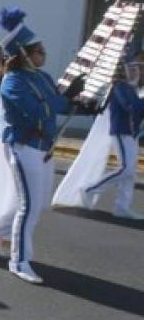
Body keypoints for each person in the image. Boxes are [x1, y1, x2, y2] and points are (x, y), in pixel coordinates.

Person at [0, 8, 82, 284]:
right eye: (39, 51)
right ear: (25, 54)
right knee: (28, 206)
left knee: (37, 205)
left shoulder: (42, 77)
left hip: (43, 149)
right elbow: (39, 110)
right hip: (23, 147)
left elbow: (58, 103)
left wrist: (85, 104)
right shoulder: (12, 81)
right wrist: (67, 97)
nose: (44, 55)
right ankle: (19, 261)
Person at [53, 52, 144, 219]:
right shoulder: (119, 87)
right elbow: (132, 107)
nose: (138, 72)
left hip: (131, 133)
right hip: (121, 131)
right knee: (125, 169)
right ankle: (89, 188)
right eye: (134, 68)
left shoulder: (132, 87)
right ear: (124, 70)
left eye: (138, 69)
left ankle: (122, 207)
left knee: (130, 172)